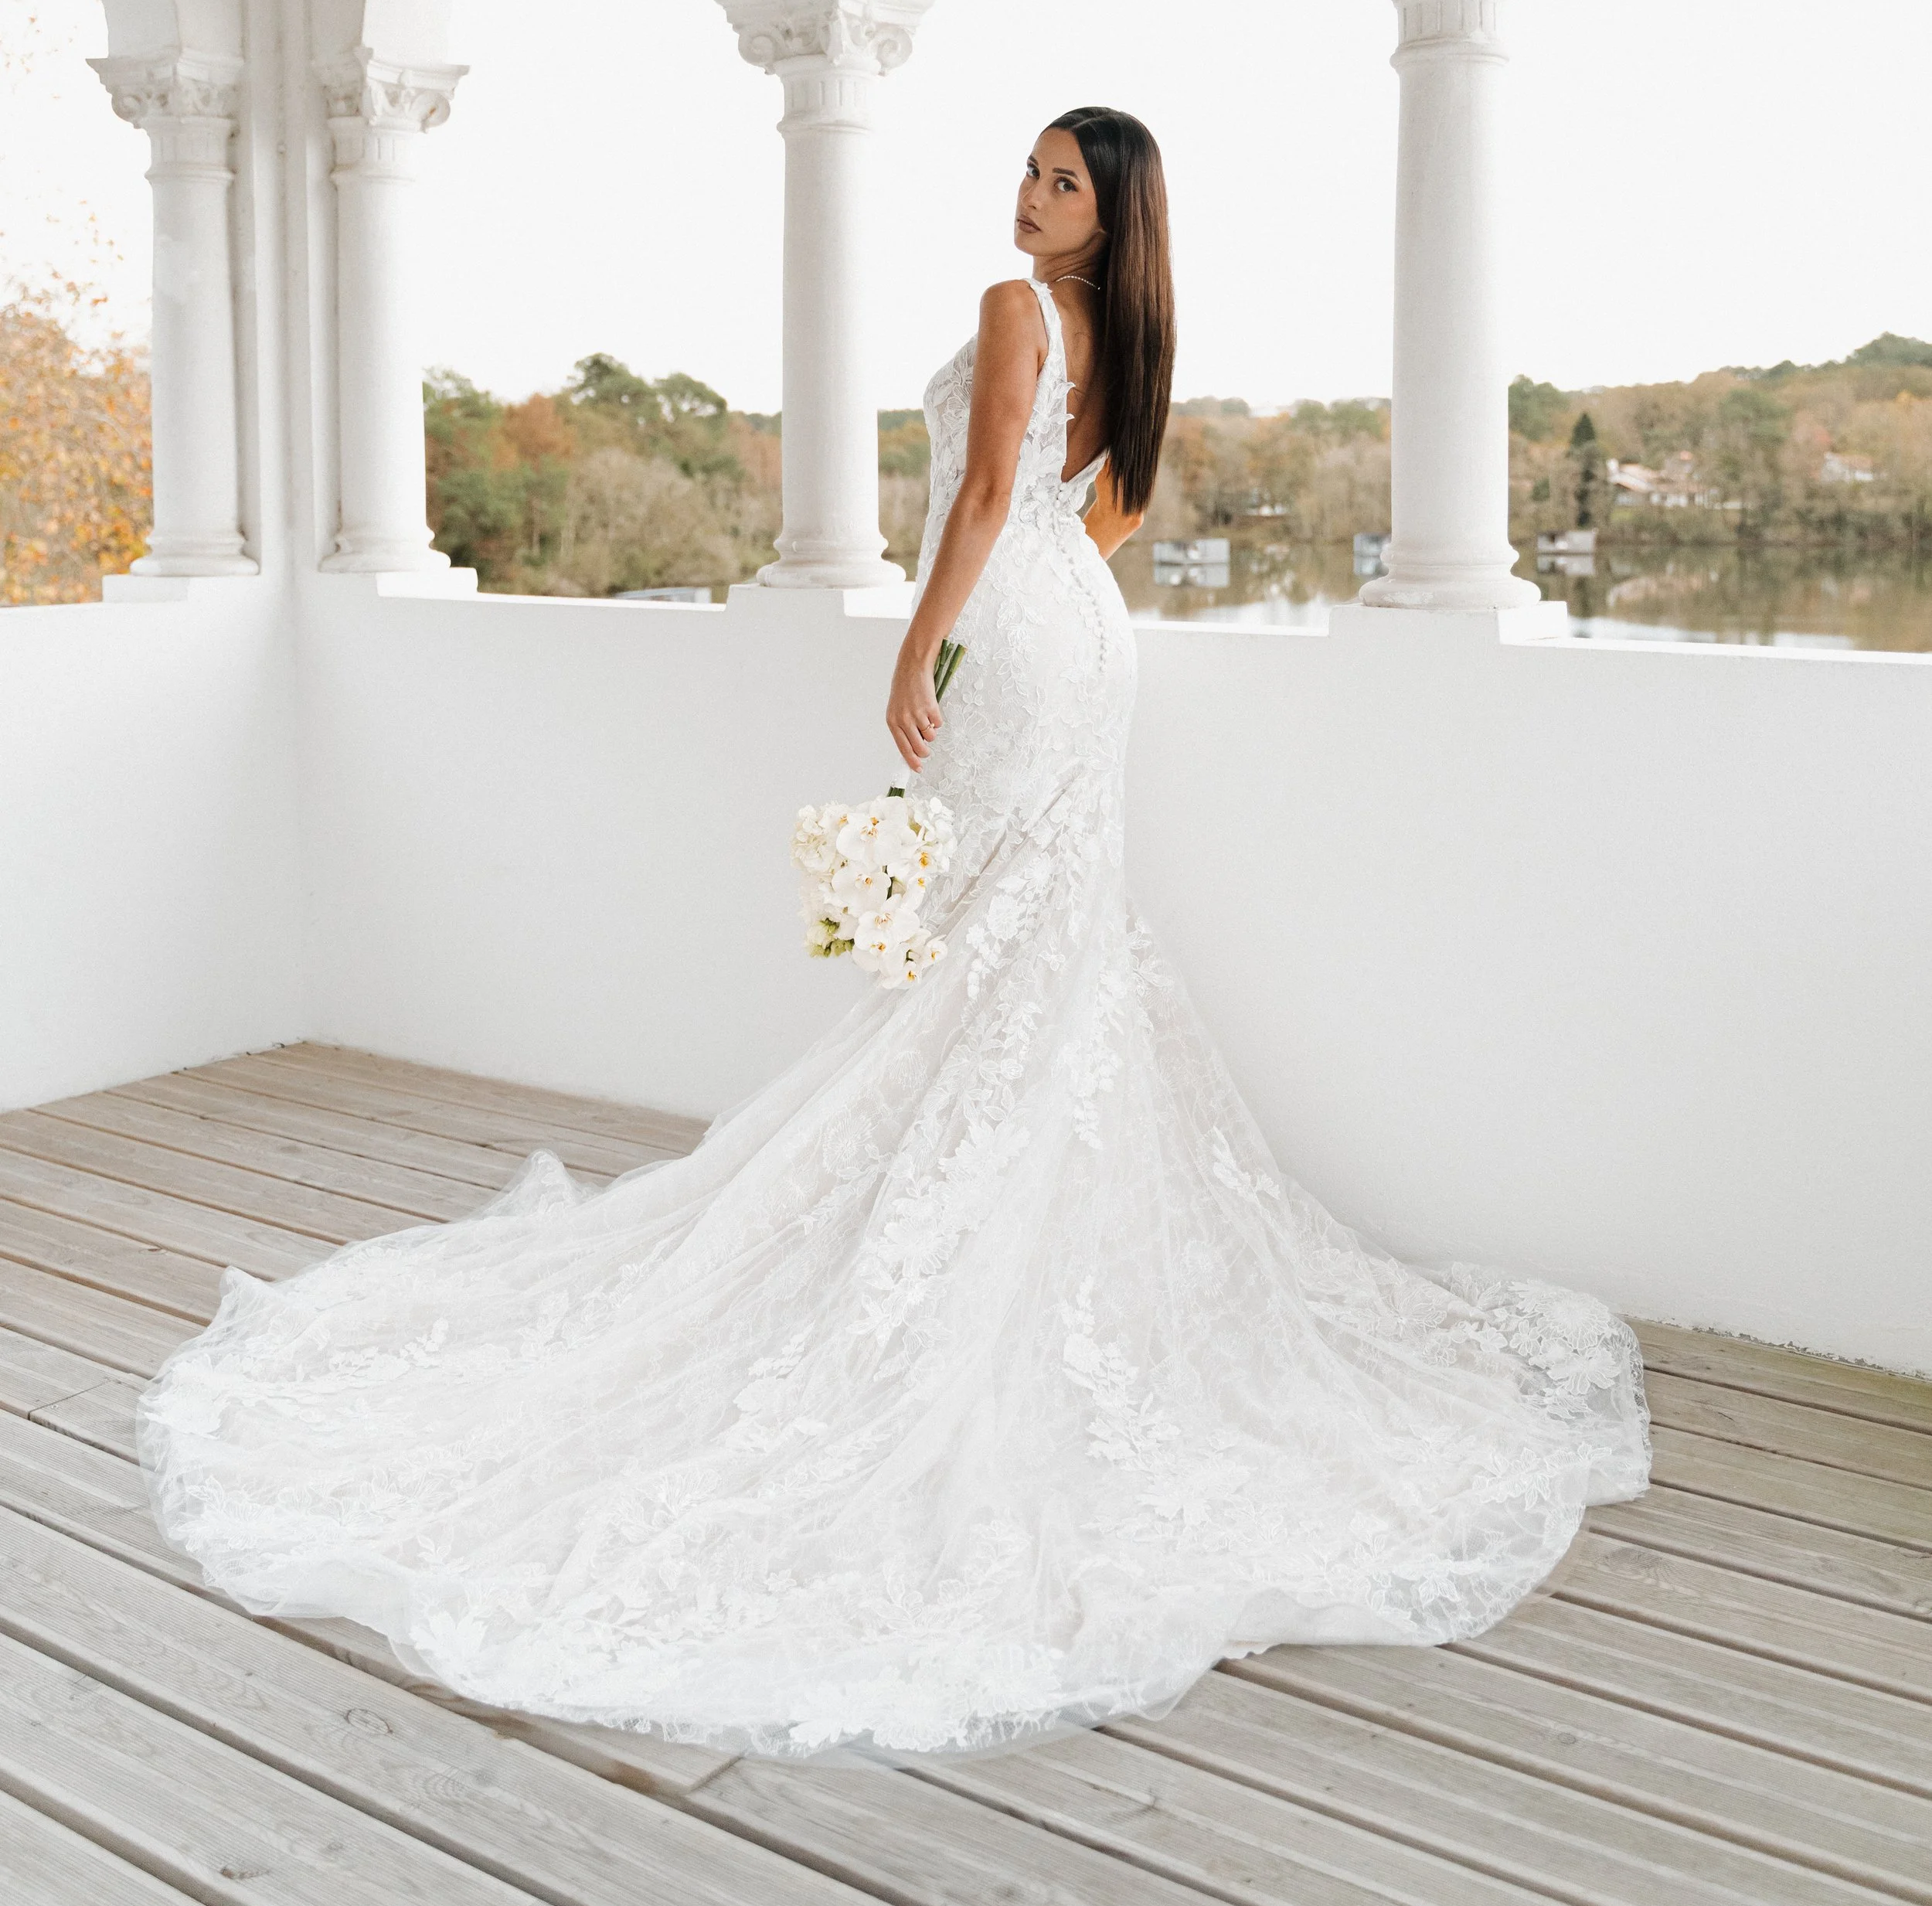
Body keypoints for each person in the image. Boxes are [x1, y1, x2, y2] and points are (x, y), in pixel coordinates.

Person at [140, 107, 1648, 1761]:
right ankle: (976, 1203)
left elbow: (990, 485)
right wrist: (1020, 600)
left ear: (1113, 209)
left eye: (1062, 181)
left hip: (1005, 628)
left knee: (961, 931)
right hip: (1081, 630)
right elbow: (1107, 506)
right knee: (1021, 937)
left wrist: (918, 645)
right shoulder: (1130, 337)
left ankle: (928, 1215)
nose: (1027, 196)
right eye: (1027, 170)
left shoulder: (1017, 313)